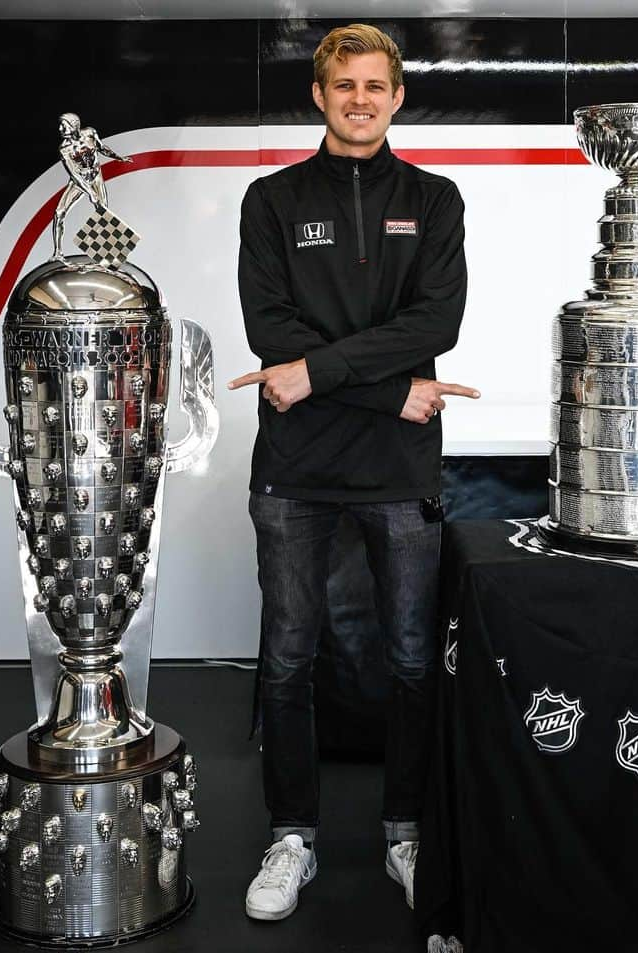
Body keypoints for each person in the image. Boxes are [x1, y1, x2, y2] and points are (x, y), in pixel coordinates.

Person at [229, 23, 479, 922]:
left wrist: (321, 380)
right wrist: (388, 393)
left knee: (413, 660)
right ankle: (291, 836)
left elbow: (432, 327)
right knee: (289, 660)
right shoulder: (271, 199)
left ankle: (404, 831)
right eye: (345, 86)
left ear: (398, 95)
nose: (361, 100)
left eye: (376, 86)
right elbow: (272, 334)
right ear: (320, 96)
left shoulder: (437, 199)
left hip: (397, 470)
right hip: (293, 472)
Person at [51, 112, 132, 259]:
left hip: (95, 178)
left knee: (103, 212)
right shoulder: (65, 148)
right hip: (80, 182)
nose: (60, 129)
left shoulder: (90, 133)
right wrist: (90, 193)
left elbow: (102, 148)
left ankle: (110, 254)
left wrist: (119, 157)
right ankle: (57, 253)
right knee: (59, 213)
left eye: (64, 125)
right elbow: (74, 175)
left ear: (74, 125)